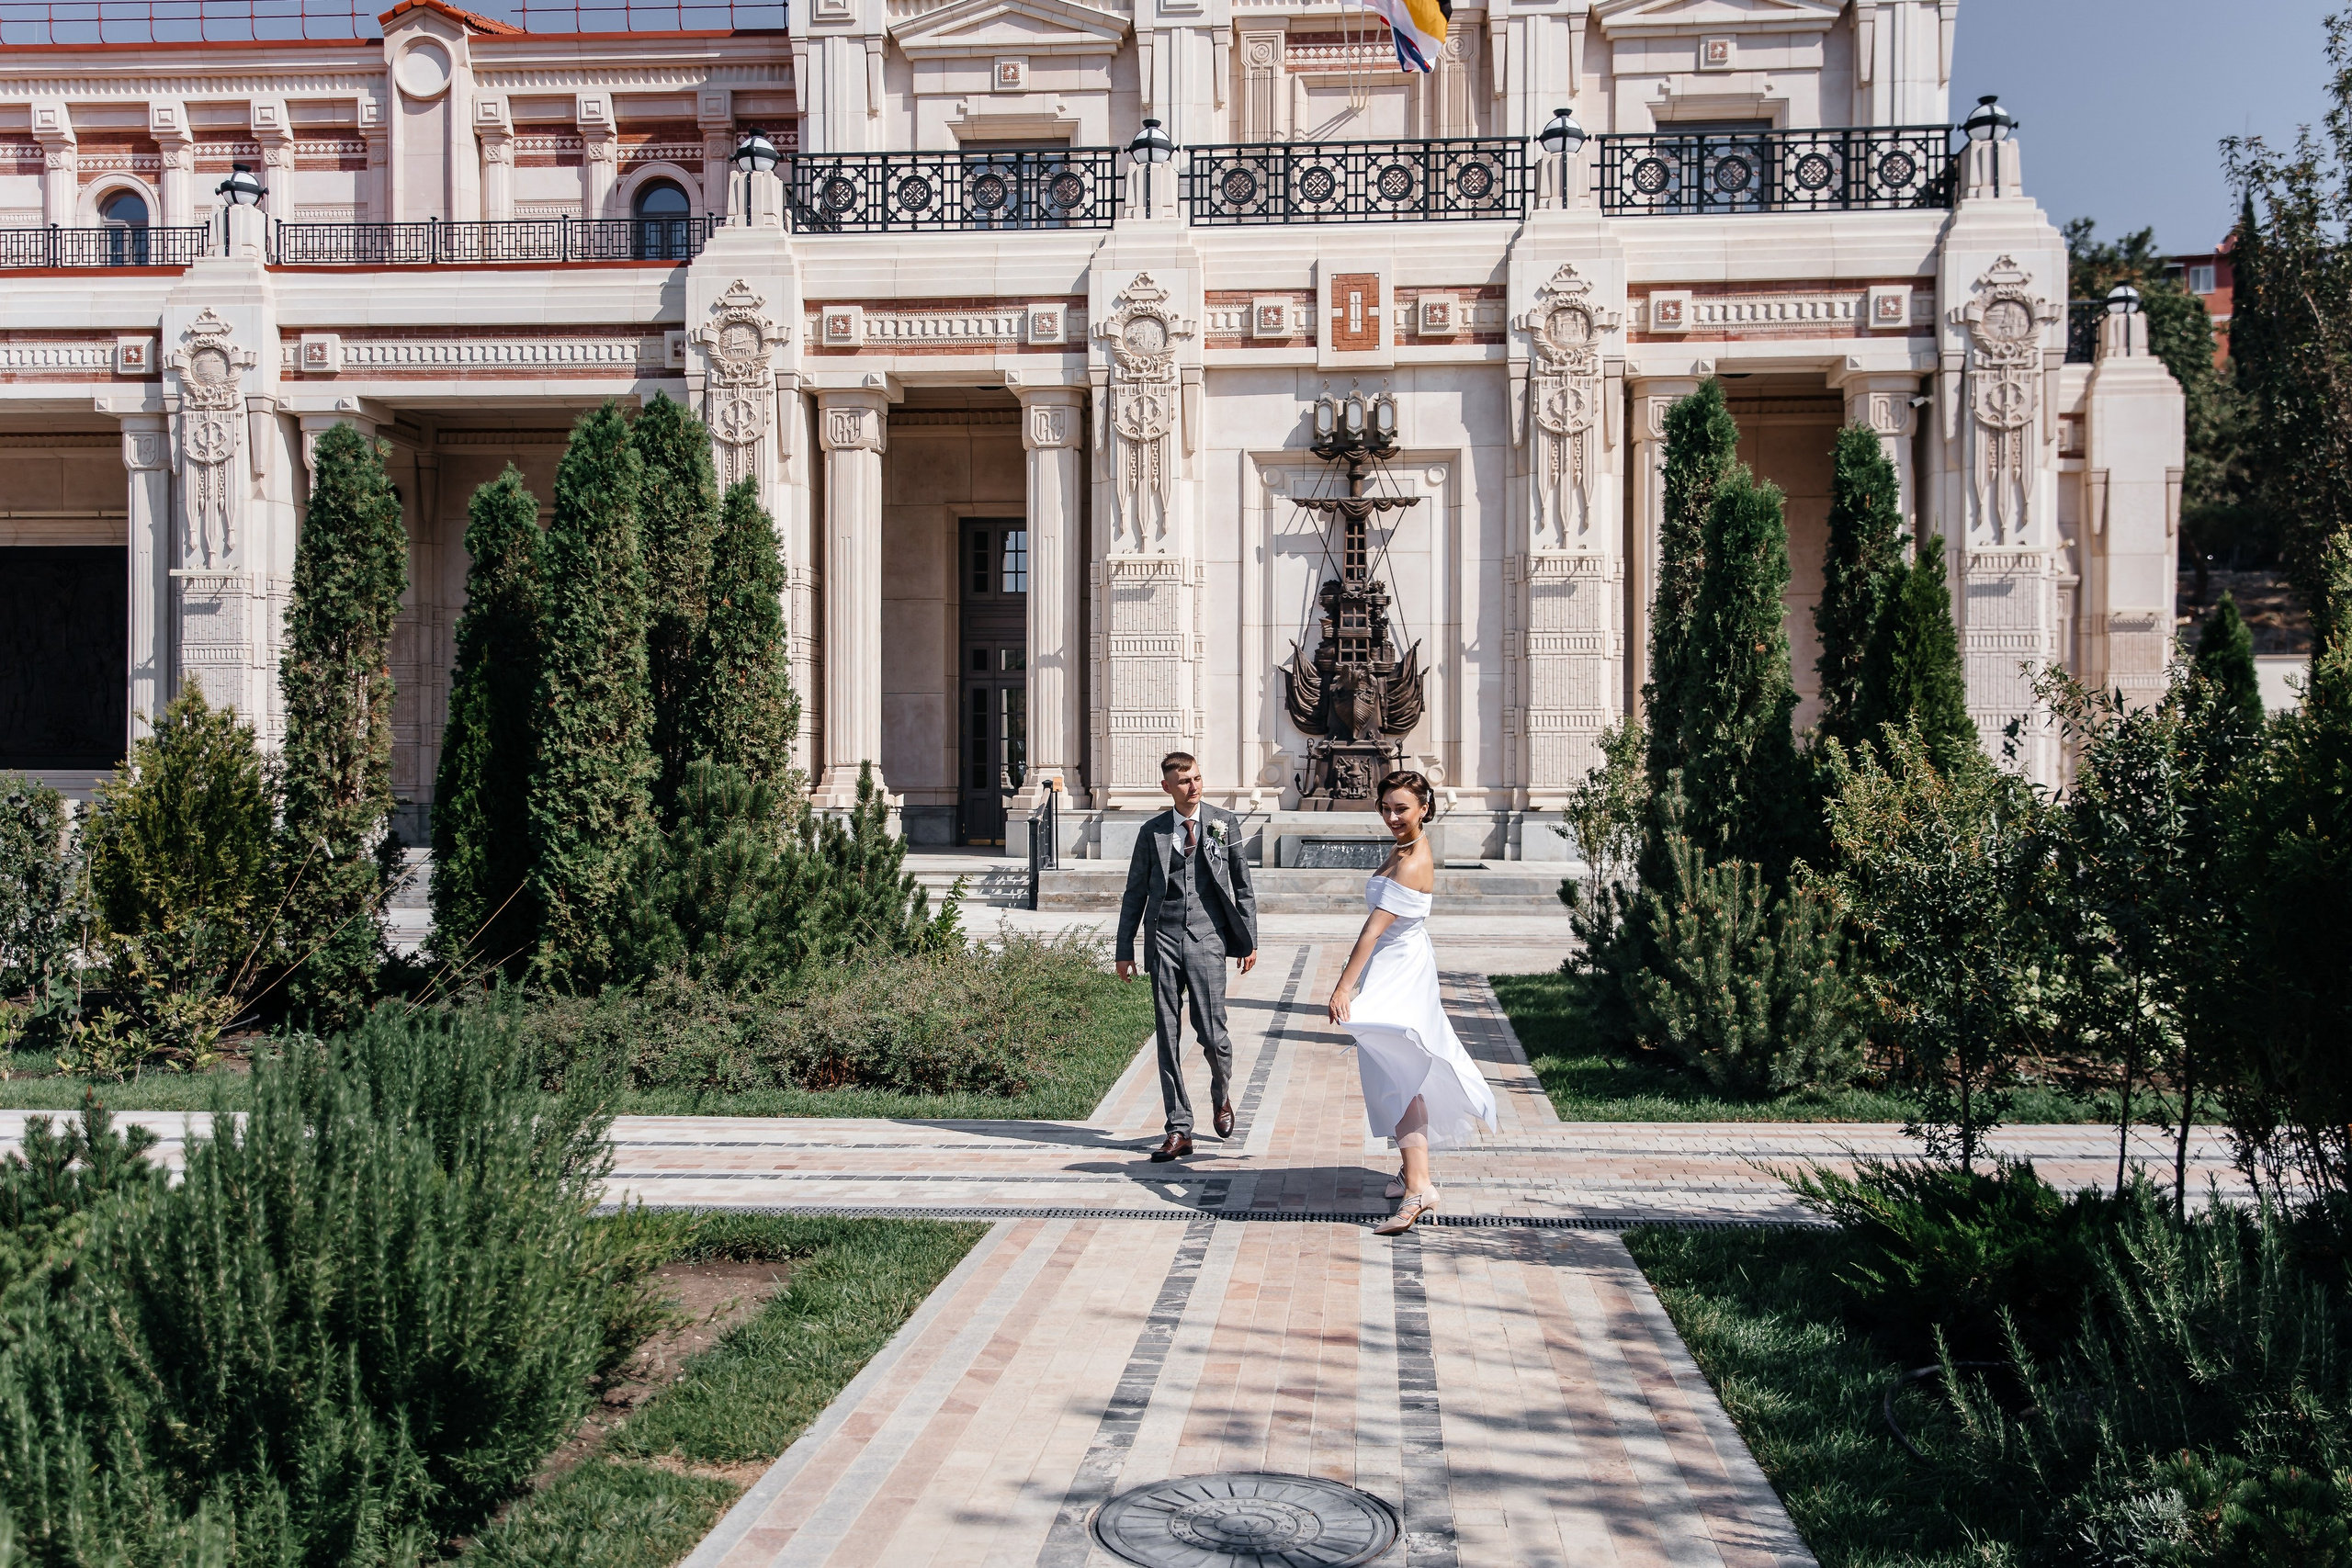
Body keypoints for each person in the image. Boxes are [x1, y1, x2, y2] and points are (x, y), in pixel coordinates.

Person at [1327, 769, 1497, 1235]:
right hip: (1398, 962)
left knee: (1397, 1068)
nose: (1391, 816)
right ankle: (1412, 1170)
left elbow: (1373, 930)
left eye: (1401, 808)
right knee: (1396, 1067)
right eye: (1385, 808)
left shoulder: (1412, 860)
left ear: (1424, 808)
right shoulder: (1402, 847)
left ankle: (1419, 1187)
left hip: (1401, 967)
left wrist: (1344, 987)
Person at [1115, 751, 1260, 1162]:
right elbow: (1135, 892)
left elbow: (1242, 885)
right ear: (1167, 787)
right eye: (1183, 781)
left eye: (1197, 778)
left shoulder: (1221, 822)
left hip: (1208, 936)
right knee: (1167, 1032)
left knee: (1212, 1033)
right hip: (1162, 936)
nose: (1193, 787)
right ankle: (1179, 1127)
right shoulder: (1153, 831)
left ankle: (1221, 1094)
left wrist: (1248, 940)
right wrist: (1124, 948)